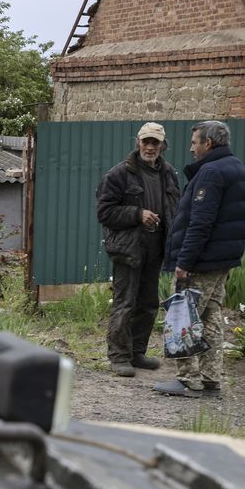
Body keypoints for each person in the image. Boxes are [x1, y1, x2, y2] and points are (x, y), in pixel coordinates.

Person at [154, 120, 245, 397]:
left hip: (201, 261)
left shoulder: (210, 173)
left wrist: (184, 262)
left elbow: (200, 223)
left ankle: (188, 379)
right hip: (222, 260)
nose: (191, 148)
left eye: (195, 142)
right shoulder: (238, 169)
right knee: (211, 316)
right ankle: (211, 380)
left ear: (208, 143)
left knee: (183, 315)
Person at [96, 122, 181, 377]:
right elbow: (104, 212)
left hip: (156, 247)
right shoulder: (119, 174)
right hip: (129, 248)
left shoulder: (169, 173)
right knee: (125, 303)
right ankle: (119, 357)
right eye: (146, 141)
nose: (150, 147)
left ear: (163, 145)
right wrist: (137, 214)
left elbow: (174, 209)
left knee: (148, 303)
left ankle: (137, 353)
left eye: (155, 142)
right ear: (138, 142)